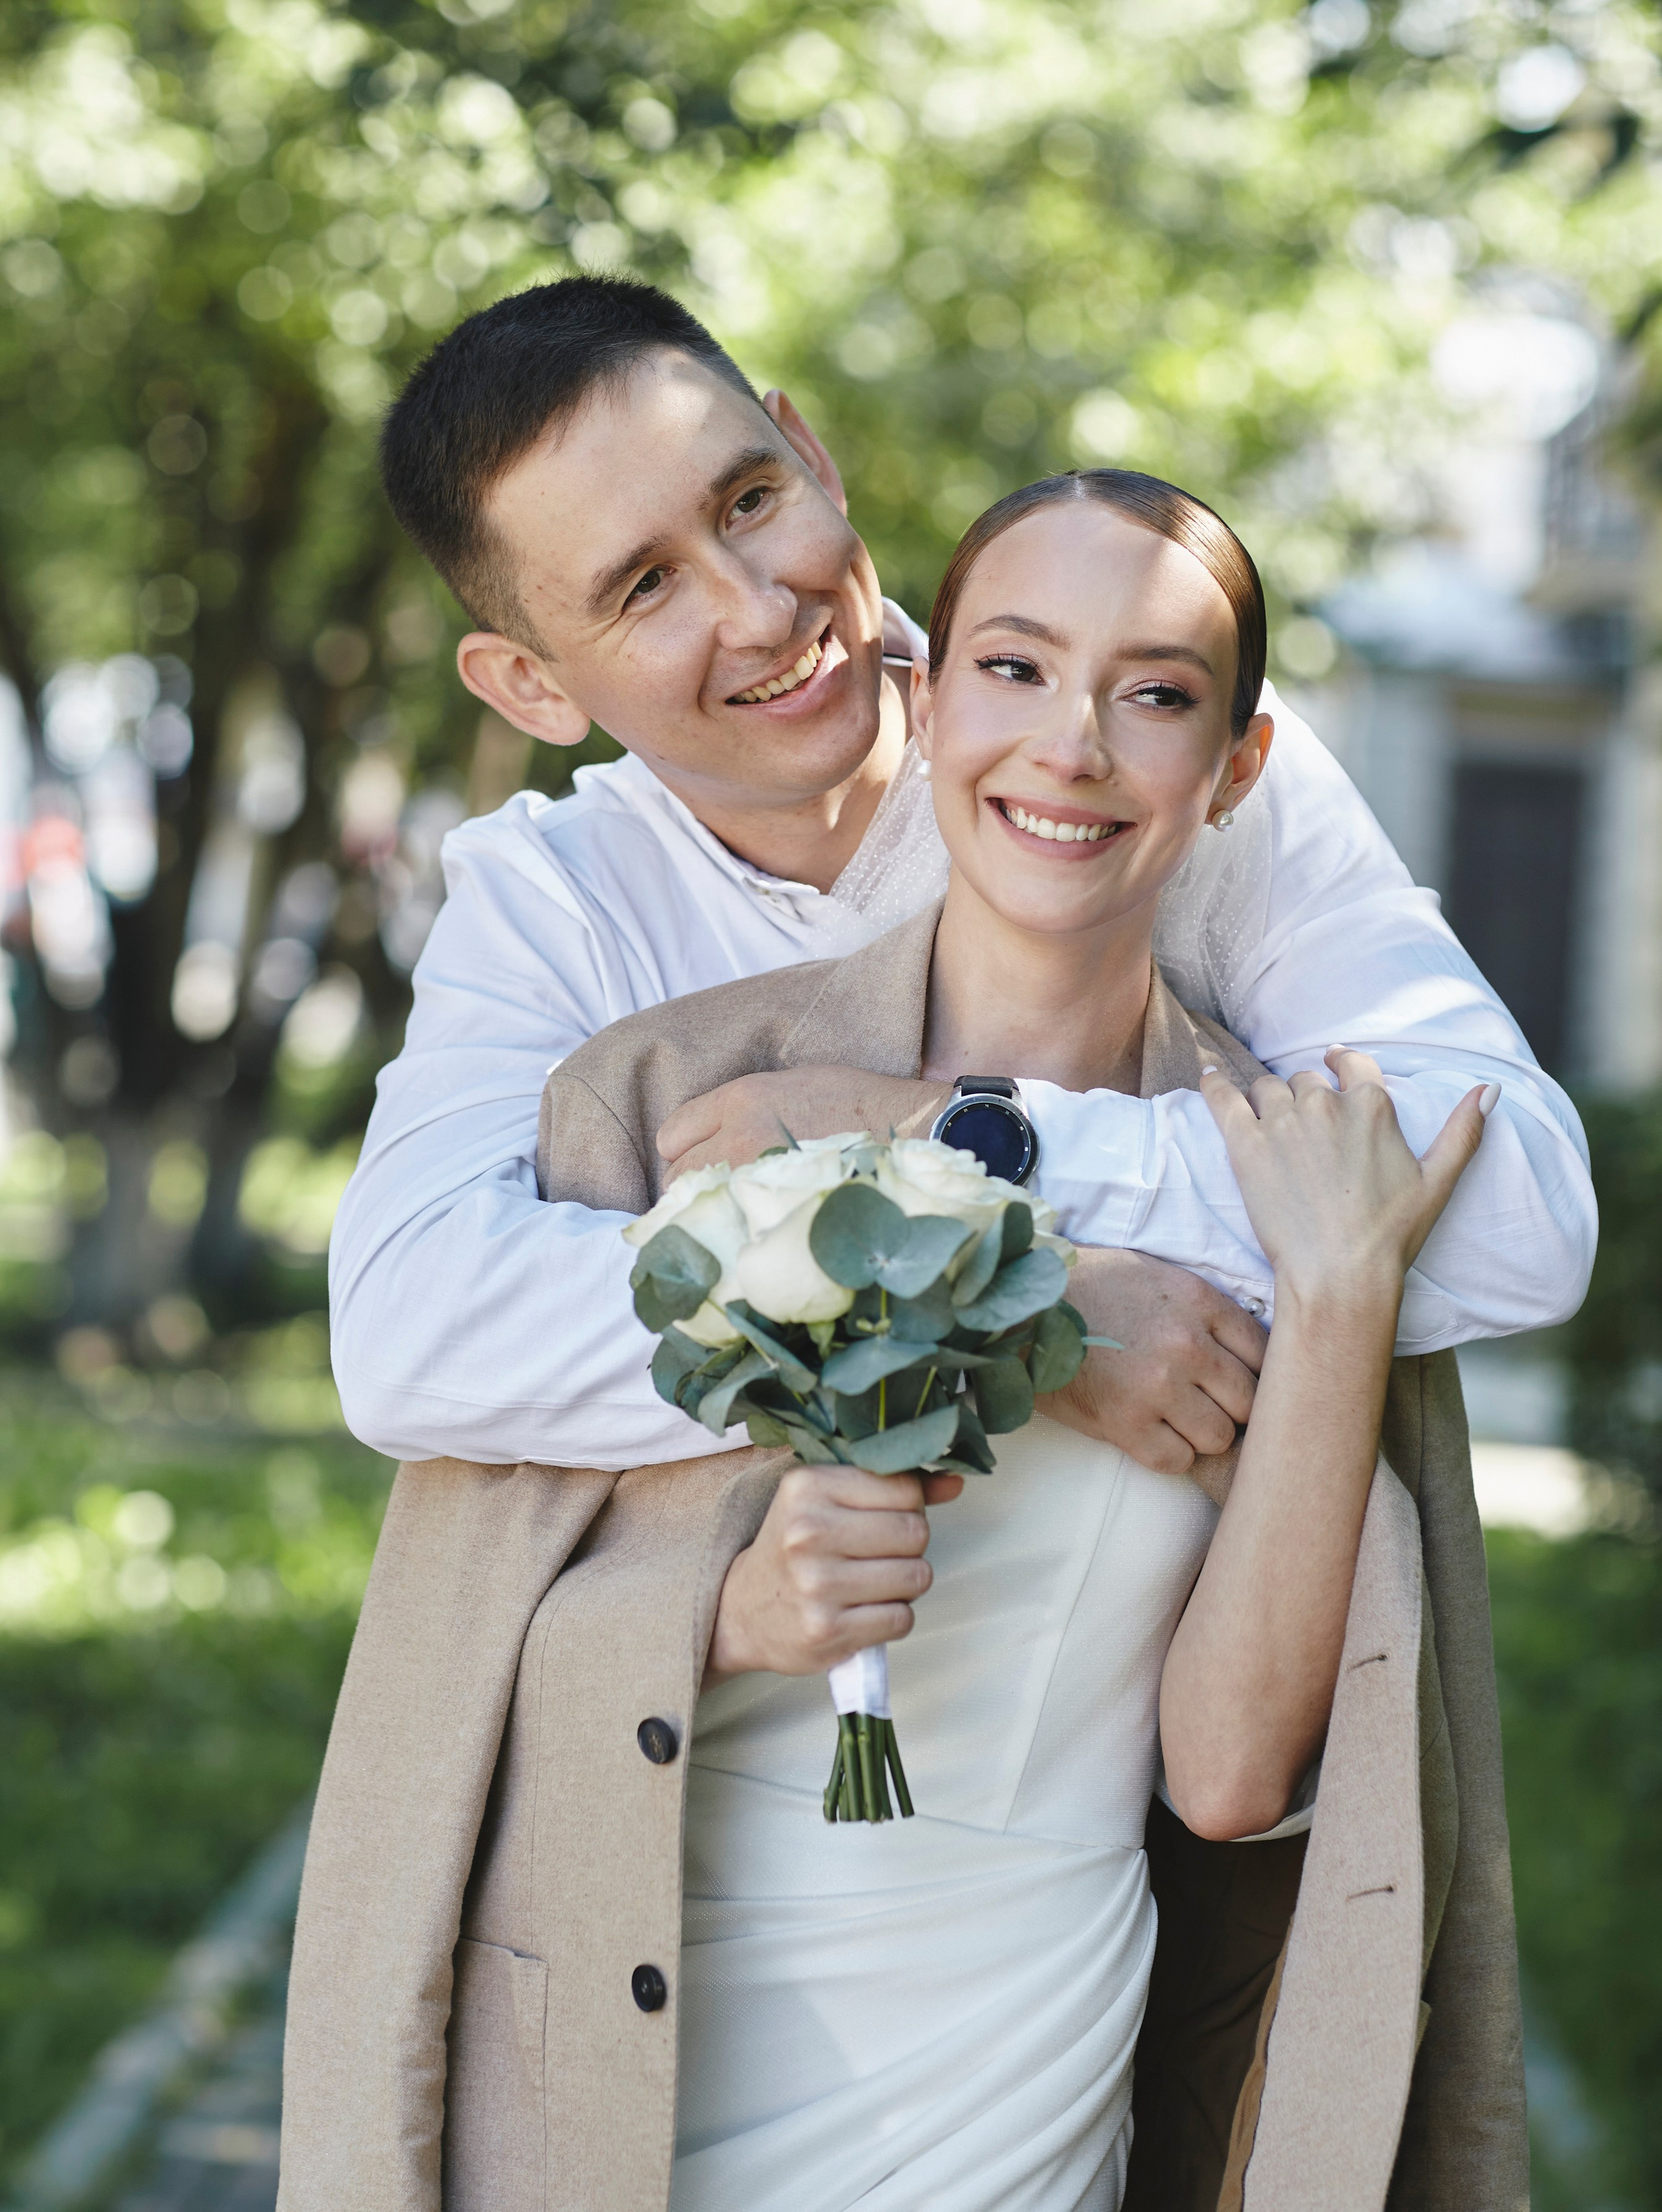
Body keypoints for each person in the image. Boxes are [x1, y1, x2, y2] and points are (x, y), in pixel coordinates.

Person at [282, 472, 1525, 2212]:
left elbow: (1231, 1777)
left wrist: (1332, 1304)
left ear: (1237, 768)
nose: (1071, 746)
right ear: (925, 700)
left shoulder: (1286, 1184)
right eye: (1014, 669)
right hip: (646, 2045)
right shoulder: (678, 1095)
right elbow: (448, 1637)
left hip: (1019, 2069)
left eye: (1156, 694)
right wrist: (729, 1614)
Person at [328, 276, 1595, 1489]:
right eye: (646, 586)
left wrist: (939, 1133)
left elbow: (1520, 1210)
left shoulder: (1150, 763)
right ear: (531, 687)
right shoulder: (556, 898)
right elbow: (413, 1335)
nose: (761, 611)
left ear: (811, 457)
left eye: (752, 501)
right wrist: (1016, 1305)